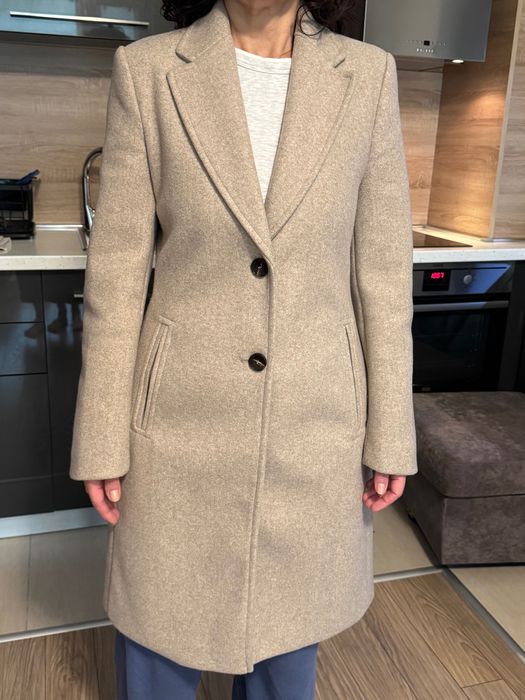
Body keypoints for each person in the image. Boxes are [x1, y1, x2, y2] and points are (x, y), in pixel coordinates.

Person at [69, 0, 418, 697]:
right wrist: (100, 439)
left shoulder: (368, 75)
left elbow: (383, 274)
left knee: (285, 649)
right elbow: (116, 274)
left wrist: (391, 432)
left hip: (313, 424)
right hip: (177, 427)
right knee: (159, 638)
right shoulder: (148, 70)